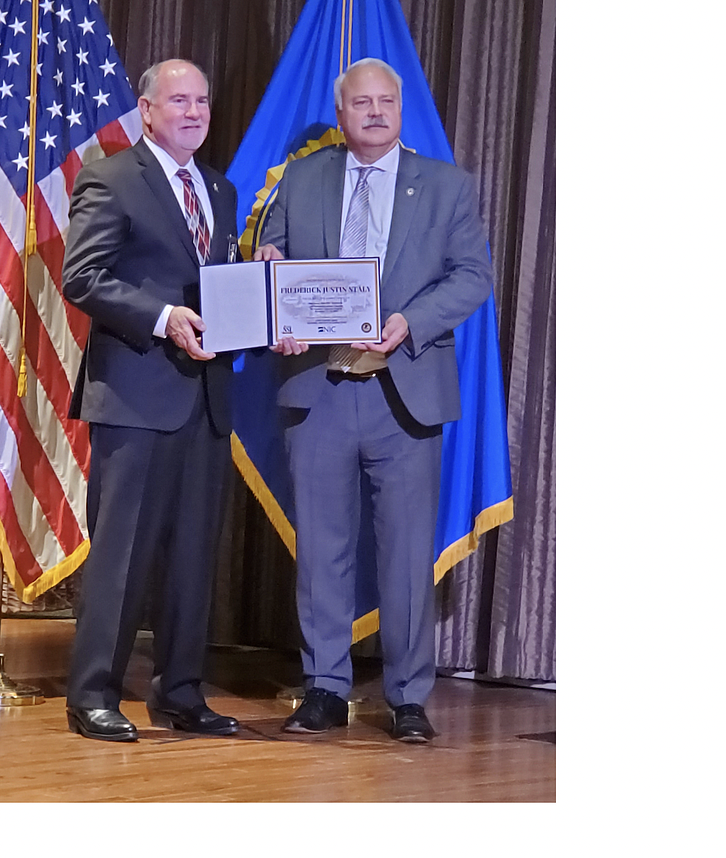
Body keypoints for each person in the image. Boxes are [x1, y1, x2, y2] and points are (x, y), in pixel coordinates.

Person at [254, 57, 493, 743]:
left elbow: (473, 275)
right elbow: (271, 256)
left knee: (407, 555)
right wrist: (276, 289)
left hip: (405, 391)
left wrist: (412, 320)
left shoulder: (446, 186)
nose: (377, 112)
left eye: (387, 101)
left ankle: (409, 697)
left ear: (401, 108)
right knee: (323, 548)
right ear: (342, 113)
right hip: (320, 390)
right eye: (363, 103)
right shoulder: (301, 177)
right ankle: (325, 688)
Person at [61, 58, 241, 742]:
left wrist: (267, 290)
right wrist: (164, 317)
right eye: (179, 101)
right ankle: (93, 694)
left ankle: (182, 693)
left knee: (194, 557)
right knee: (123, 554)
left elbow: (221, 285)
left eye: (202, 100)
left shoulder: (219, 190)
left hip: (206, 399)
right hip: (135, 396)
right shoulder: (111, 178)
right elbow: (84, 277)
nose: (194, 112)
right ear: (146, 110)